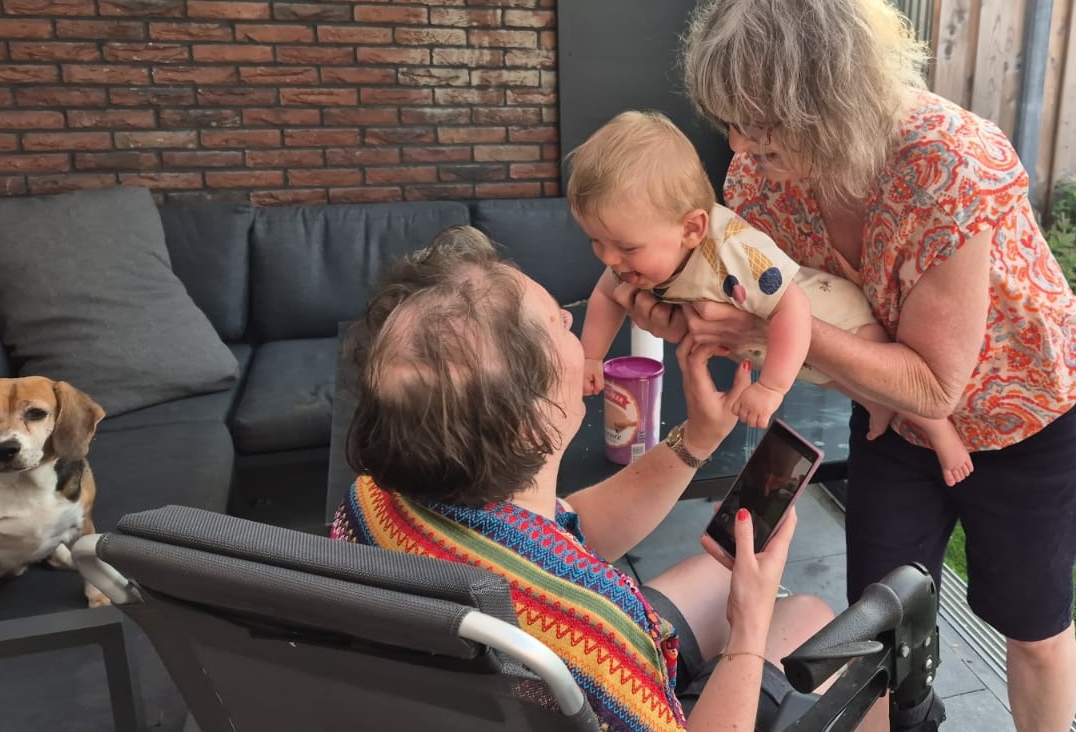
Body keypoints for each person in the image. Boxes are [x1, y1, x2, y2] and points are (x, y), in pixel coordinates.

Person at [613, 0, 1076, 732]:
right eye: (729, 121)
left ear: (832, 102)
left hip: (1029, 416)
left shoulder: (947, 163)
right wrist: (693, 316)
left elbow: (934, 384)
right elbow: (785, 325)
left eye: (761, 125)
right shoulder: (760, 178)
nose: (739, 147)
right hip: (893, 419)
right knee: (875, 627)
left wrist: (765, 331)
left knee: (1033, 630)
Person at [329, 225, 844, 731]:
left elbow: (562, 530)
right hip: (595, 689)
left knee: (721, 574)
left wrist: (697, 440)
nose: (571, 321)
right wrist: (749, 629)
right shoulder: (598, 633)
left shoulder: (375, 498)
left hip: (488, 689)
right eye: (557, 324)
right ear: (533, 422)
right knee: (812, 620)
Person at [565, 109, 974, 485]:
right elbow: (606, 294)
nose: (609, 258)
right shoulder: (634, 247)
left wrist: (772, 389)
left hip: (829, 312)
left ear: (692, 229)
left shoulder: (733, 254)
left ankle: (940, 433)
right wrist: (591, 357)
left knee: (870, 367)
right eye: (595, 241)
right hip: (775, 344)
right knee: (841, 379)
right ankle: (878, 406)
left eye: (625, 248)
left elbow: (792, 307)